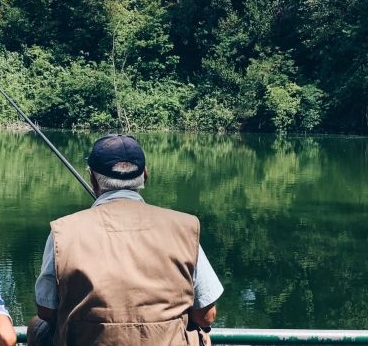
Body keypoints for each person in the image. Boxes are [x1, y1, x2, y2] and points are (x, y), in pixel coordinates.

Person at [27, 134, 224, 345]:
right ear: (145, 175)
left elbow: (47, 310)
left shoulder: (62, 232)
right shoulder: (185, 227)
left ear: (92, 178)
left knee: (36, 325)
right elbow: (206, 315)